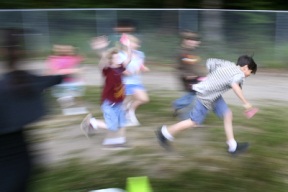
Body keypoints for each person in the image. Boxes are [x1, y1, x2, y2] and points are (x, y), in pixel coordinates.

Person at [0, 28, 73, 192]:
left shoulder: (15, 82)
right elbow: (51, 79)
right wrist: (65, 74)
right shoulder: (21, 81)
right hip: (23, 163)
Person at [156, 55, 258, 155]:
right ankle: (164, 133)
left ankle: (232, 146)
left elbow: (210, 62)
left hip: (213, 95)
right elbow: (235, 86)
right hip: (206, 97)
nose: (249, 75)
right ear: (245, 68)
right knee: (193, 122)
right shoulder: (239, 74)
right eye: (250, 72)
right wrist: (246, 103)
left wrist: (213, 79)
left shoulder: (229, 64)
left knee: (228, 114)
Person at [80, 34, 132, 149]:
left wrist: (128, 46)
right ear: (110, 59)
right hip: (109, 102)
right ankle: (92, 122)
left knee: (122, 122)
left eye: (119, 57)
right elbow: (103, 60)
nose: (119, 59)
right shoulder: (107, 69)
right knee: (112, 126)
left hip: (118, 101)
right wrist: (101, 49)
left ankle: (120, 141)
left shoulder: (120, 68)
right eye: (116, 58)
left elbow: (129, 58)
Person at [172, 31, 207, 119]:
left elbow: (197, 66)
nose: (192, 42)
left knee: (192, 95)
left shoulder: (194, 53)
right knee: (196, 96)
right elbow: (178, 68)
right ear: (184, 41)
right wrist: (186, 75)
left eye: (194, 40)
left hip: (197, 78)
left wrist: (203, 75)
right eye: (189, 40)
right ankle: (187, 117)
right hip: (188, 79)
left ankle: (178, 104)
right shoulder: (182, 53)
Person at [46, 44, 86, 112]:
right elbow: (55, 71)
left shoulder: (72, 58)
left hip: (69, 80)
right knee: (67, 97)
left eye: (69, 50)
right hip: (59, 81)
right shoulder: (53, 59)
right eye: (62, 49)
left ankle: (68, 99)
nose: (65, 51)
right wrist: (73, 70)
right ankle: (66, 99)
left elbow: (80, 60)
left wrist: (78, 68)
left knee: (77, 86)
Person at [120, 34, 150, 126]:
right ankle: (126, 117)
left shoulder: (140, 54)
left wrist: (144, 68)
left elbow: (140, 65)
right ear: (126, 43)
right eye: (134, 43)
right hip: (125, 83)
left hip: (137, 82)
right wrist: (125, 71)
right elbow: (118, 68)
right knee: (126, 102)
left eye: (137, 43)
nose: (137, 45)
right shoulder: (120, 55)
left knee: (144, 99)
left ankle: (129, 112)